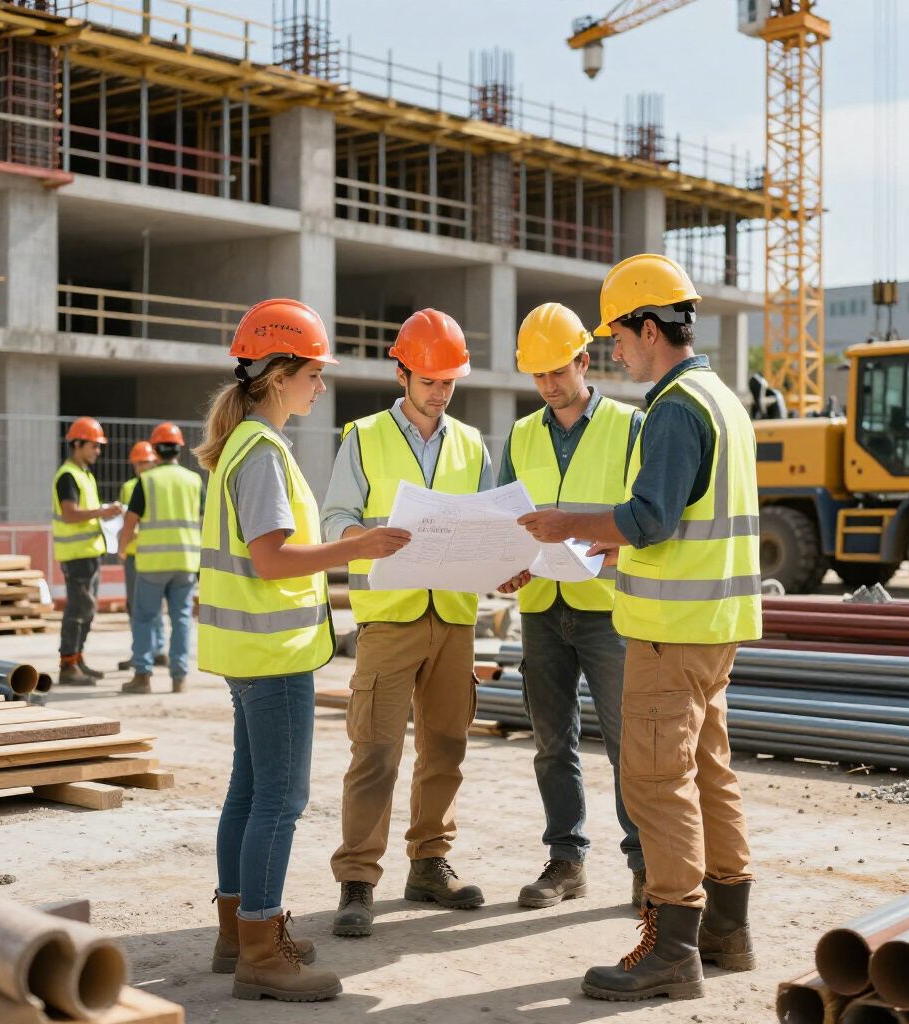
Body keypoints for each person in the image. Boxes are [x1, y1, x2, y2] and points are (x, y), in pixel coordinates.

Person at [519, 254, 761, 1002]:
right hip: (713, 623)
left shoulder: (674, 408)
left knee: (656, 781)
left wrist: (573, 523)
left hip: (669, 627)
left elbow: (650, 519)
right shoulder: (721, 398)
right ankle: (727, 927)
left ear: (650, 327)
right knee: (709, 771)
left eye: (618, 335)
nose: (615, 350)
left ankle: (672, 949)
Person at [195, 298, 409, 1003]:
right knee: (278, 802)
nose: (322, 386)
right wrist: (358, 546)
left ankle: (239, 933)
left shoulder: (247, 446)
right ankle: (261, 949)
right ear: (281, 372)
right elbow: (271, 559)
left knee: (249, 794)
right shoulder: (261, 453)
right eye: (314, 373)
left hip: (252, 651)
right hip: (275, 654)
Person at [322, 308, 512, 938]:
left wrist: (504, 565)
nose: (439, 390)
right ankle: (357, 878)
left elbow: (487, 525)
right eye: (428, 378)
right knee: (374, 751)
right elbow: (332, 522)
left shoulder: (472, 443)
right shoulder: (363, 435)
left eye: (448, 380)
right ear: (401, 372)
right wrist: (365, 538)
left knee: (447, 748)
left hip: (455, 617)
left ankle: (430, 862)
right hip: (389, 619)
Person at [498, 302, 645, 910]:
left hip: (608, 608)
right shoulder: (522, 435)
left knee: (626, 743)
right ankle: (565, 860)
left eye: (559, 369)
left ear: (585, 359)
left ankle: (646, 863)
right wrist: (504, 563)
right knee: (552, 744)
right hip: (540, 606)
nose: (550, 384)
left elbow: (646, 516)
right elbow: (507, 517)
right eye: (538, 375)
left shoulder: (630, 426)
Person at [118, 422, 203, 695]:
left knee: (144, 618)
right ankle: (179, 677)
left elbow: (130, 523)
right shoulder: (194, 480)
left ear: (155, 450)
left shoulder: (147, 481)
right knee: (181, 619)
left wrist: (122, 548)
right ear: (180, 449)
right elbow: (206, 520)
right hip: (185, 562)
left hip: (153, 564)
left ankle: (142, 676)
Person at [52, 416, 122, 686]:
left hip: (89, 554)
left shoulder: (84, 475)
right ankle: (68, 664)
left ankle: (77, 659)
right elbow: (70, 515)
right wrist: (103, 511)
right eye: (94, 445)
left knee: (87, 610)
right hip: (77, 556)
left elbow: (84, 514)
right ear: (78, 444)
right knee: (78, 610)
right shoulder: (68, 476)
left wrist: (103, 513)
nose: (98, 451)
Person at [117, 441, 166, 672]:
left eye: (145, 461)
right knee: (138, 607)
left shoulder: (157, 484)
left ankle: (152, 651)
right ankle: (147, 650)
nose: (142, 466)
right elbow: (127, 521)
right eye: (139, 463)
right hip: (137, 553)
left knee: (147, 607)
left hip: (147, 553)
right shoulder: (129, 487)